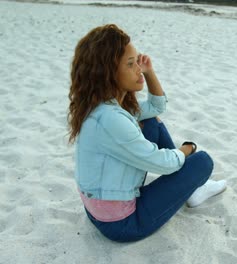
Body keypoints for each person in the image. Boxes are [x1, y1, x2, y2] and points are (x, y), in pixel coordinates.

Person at [67, 24, 227, 243]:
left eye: (138, 63)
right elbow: (164, 164)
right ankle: (193, 186)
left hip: (98, 212)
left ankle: (192, 188)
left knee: (150, 122)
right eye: (130, 64)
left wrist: (149, 72)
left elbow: (156, 106)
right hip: (122, 224)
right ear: (108, 72)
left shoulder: (100, 107)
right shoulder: (112, 119)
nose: (138, 70)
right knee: (202, 162)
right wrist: (187, 150)